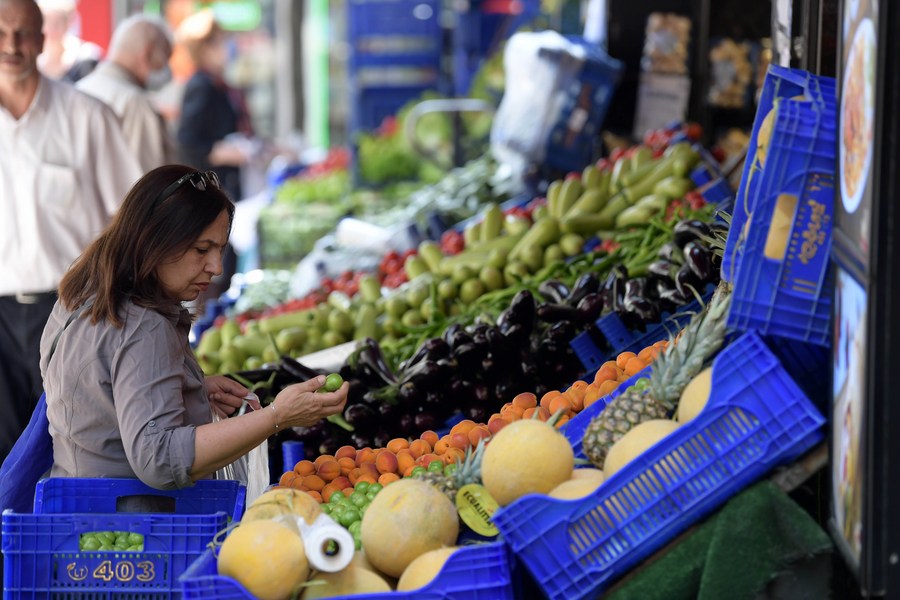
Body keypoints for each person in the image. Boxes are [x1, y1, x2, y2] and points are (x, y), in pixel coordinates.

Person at [39, 164, 348, 492]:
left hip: (77, 502)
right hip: (133, 523)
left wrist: (184, 385)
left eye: (220, 250)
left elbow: (96, 390)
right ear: (155, 241)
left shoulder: (84, 293)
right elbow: (159, 458)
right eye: (202, 250)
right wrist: (276, 416)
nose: (216, 268)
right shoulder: (145, 327)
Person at [0, 0, 142, 468]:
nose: (12, 45)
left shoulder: (86, 117)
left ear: (43, 39)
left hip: (71, 311)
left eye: (23, 33)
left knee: (72, 452)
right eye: (2, 32)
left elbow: (131, 221)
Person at [76, 14, 176, 173]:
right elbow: (147, 184)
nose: (167, 69)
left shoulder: (79, 89)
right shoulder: (135, 102)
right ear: (147, 53)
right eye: (165, 58)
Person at [175, 9, 252, 204]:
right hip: (214, 189)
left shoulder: (218, 83)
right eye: (220, 41)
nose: (227, 47)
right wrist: (220, 153)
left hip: (230, 183)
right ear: (204, 48)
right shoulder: (201, 85)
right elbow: (187, 141)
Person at [35, 0, 99, 80]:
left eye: (57, 22)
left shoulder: (85, 57)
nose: (52, 28)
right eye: (47, 21)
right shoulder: (34, 60)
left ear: (67, 23)